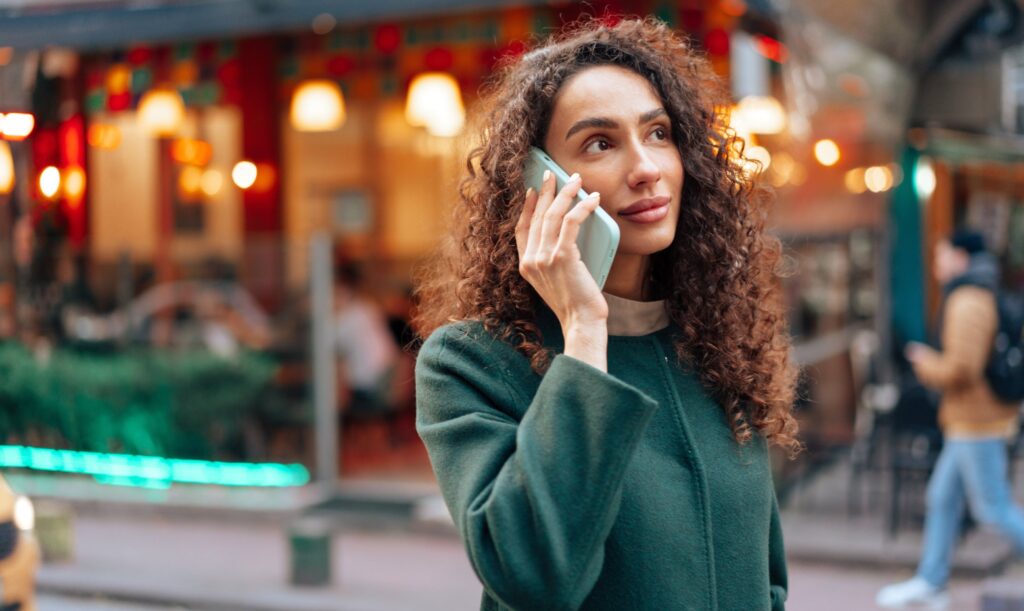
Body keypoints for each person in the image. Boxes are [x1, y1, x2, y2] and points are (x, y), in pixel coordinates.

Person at [413, 17, 799, 610]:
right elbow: (534, 574)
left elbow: (765, 580)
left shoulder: (715, 345)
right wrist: (584, 329)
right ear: (538, 182)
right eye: (601, 142)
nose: (646, 167)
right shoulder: (473, 362)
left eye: (659, 133)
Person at [877, 230, 1024, 609]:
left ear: (961, 256)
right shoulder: (976, 292)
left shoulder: (968, 300)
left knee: (993, 509)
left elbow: (963, 369)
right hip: (967, 422)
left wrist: (926, 364)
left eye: (941, 254)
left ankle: (931, 581)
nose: (936, 262)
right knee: (942, 498)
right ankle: (932, 582)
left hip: (977, 423)